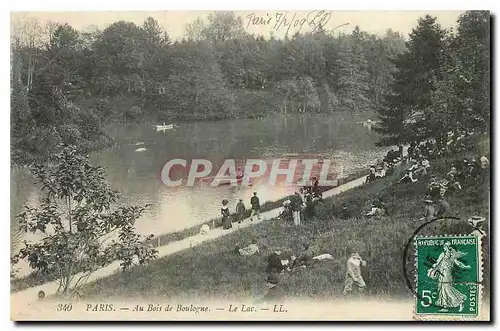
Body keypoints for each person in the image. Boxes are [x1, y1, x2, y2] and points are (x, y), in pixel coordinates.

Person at [427, 242, 470, 312]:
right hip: (442, 273)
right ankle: (445, 306)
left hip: (447, 274)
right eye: (446, 246)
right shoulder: (443, 255)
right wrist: (432, 270)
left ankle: (460, 302)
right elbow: (437, 263)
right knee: (443, 289)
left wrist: (465, 266)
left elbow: (458, 263)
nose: (445, 248)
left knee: (447, 289)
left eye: (446, 246)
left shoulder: (451, 255)